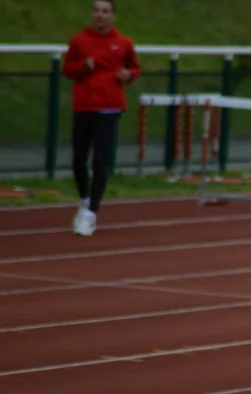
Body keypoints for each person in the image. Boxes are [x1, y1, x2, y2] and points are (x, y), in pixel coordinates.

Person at [62, 0, 141, 237]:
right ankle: (86, 200)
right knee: (78, 160)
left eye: (105, 11)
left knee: (100, 160)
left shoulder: (123, 43)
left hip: (109, 106)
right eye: (96, 11)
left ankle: (91, 214)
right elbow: (68, 70)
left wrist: (129, 75)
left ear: (113, 16)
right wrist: (83, 67)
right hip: (84, 104)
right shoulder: (79, 40)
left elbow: (134, 69)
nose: (100, 15)